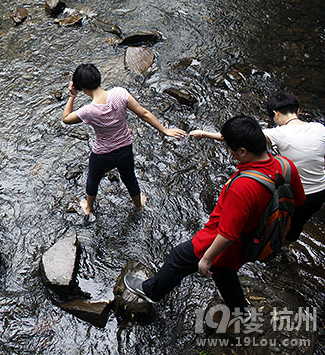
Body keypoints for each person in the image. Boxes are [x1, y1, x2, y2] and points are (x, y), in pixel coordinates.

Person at [125, 116, 305, 316]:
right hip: (254, 237)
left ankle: (151, 291)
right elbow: (299, 200)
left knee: (179, 257)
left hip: (223, 242)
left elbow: (228, 234)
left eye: (231, 148)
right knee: (225, 274)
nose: (229, 151)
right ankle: (240, 312)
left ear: (243, 152)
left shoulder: (243, 186)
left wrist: (207, 258)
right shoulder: (285, 166)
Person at [190, 93, 325, 242]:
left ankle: (272, 248)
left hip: (295, 193)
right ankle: (289, 241)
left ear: (275, 114)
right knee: (297, 224)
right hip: (320, 190)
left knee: (274, 222)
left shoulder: (279, 133)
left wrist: (203, 133)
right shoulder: (320, 128)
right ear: (298, 111)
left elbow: (237, 137)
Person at [61, 63, 186, 216]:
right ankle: (138, 205)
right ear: (99, 78)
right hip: (125, 148)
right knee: (129, 177)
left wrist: (72, 96)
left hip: (102, 154)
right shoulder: (120, 93)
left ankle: (88, 207)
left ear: (83, 89)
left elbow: (66, 118)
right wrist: (165, 130)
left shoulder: (88, 111)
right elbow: (144, 113)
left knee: (93, 179)